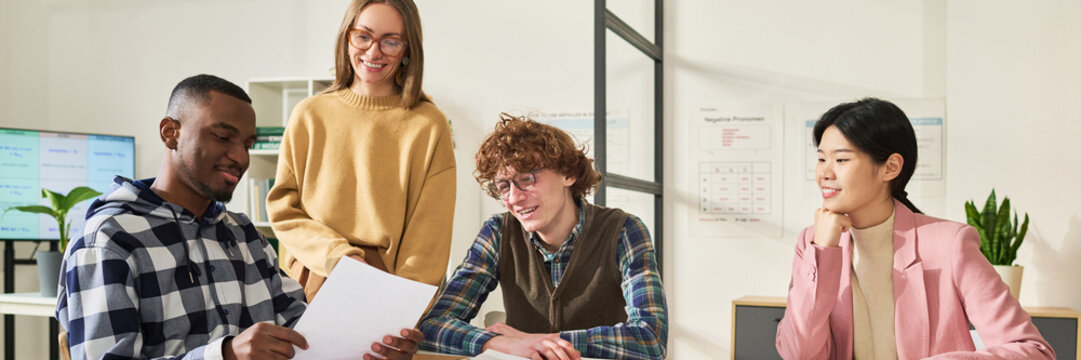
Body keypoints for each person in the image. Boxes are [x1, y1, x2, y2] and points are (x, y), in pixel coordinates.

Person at [56, 74, 423, 360]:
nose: (241, 157)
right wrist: (226, 354)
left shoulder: (244, 236)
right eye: (222, 137)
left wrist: (371, 347)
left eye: (247, 144)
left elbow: (305, 336)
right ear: (171, 133)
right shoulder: (109, 240)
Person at [775, 98, 1054, 359]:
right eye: (822, 158)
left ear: (891, 167)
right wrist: (823, 252)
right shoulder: (812, 242)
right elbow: (797, 353)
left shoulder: (949, 244)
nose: (825, 172)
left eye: (841, 159)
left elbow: (1033, 350)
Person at [418, 113, 668, 360]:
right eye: (504, 186)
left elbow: (651, 338)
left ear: (568, 174)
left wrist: (537, 341)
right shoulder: (497, 232)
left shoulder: (623, 230)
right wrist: (498, 343)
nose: (514, 199)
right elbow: (433, 326)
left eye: (527, 179)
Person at [267, 0, 455, 300]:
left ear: (408, 49)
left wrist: (401, 305)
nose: (373, 51)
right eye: (363, 36)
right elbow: (283, 210)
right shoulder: (309, 114)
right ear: (347, 37)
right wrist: (340, 258)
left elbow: (428, 240)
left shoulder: (429, 125)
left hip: (386, 286)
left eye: (390, 41)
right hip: (310, 279)